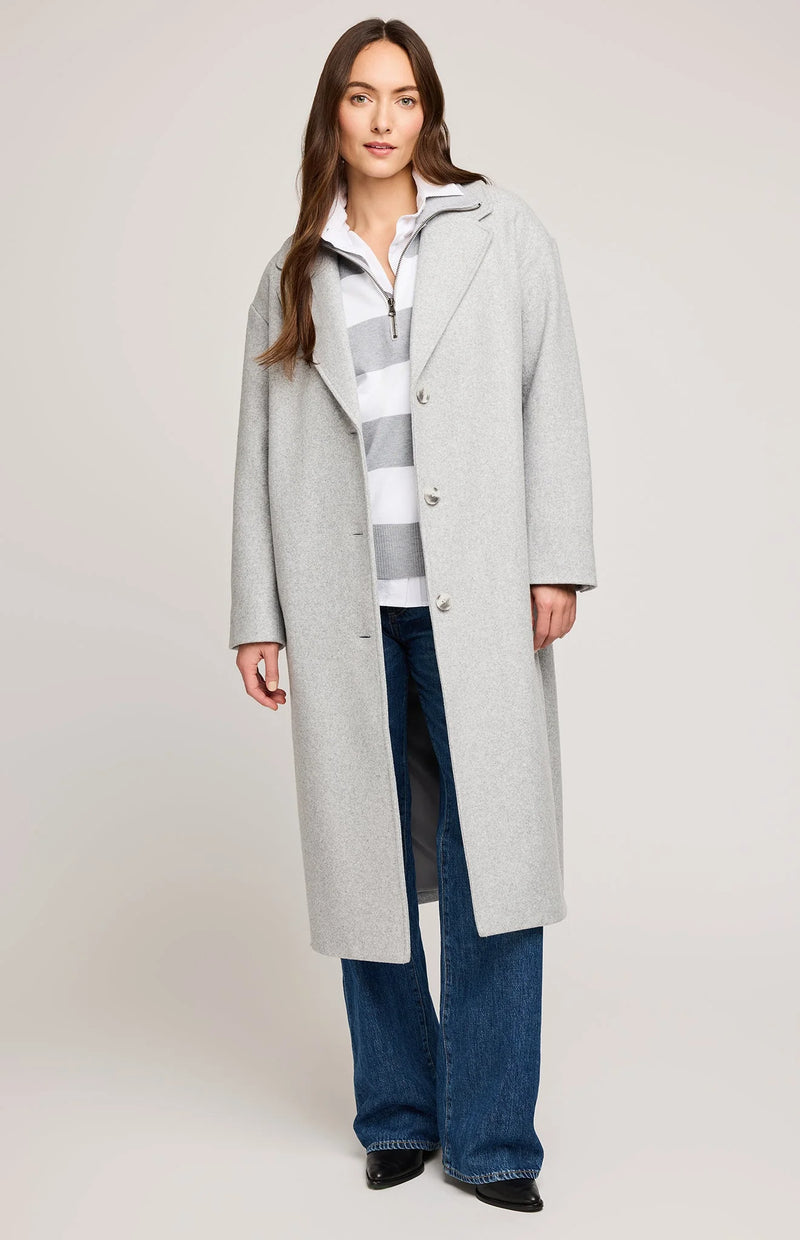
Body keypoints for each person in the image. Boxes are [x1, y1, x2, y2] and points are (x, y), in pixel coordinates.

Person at [229, 18, 597, 1214]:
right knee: (364, 863)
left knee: (499, 863)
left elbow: (550, 392)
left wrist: (554, 558)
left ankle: (490, 1139)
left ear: (427, 110)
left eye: (400, 96)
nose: (380, 118)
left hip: (474, 598)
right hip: (342, 607)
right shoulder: (295, 270)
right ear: (332, 115)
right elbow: (258, 449)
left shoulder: (498, 234)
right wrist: (256, 614)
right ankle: (395, 1114)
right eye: (358, 96)